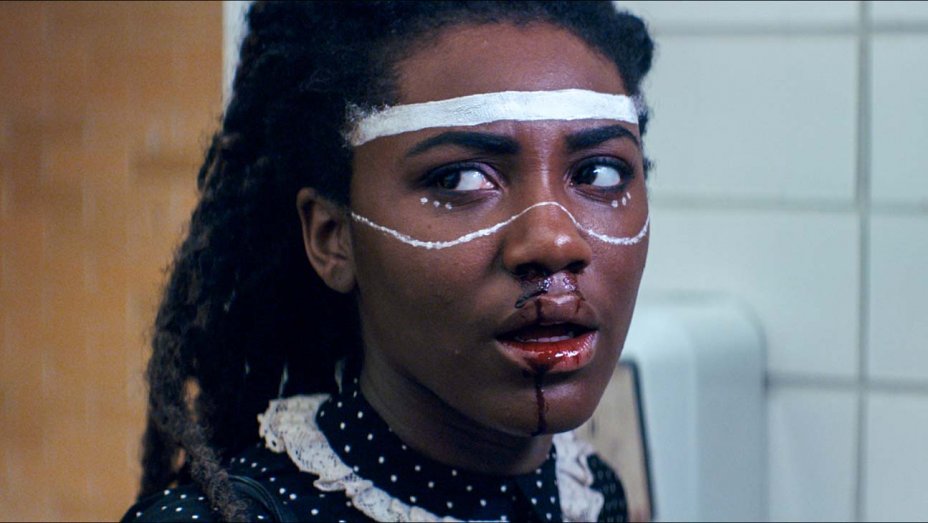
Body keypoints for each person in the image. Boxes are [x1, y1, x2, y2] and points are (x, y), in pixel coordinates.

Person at [122, 1, 654, 521]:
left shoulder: (592, 495)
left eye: (599, 173)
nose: (555, 243)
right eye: (460, 179)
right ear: (333, 238)